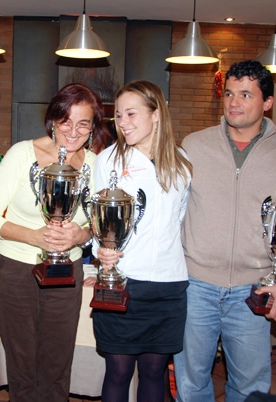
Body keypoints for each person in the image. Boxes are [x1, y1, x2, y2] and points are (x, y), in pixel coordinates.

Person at [173, 60, 276, 402]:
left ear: (267, 103)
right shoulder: (194, 145)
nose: (234, 102)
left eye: (245, 94)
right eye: (229, 93)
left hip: (254, 290)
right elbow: (171, 210)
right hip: (196, 285)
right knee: (190, 381)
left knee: (250, 386)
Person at [0, 83, 111, 402]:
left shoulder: (96, 165)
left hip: (67, 272)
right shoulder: (22, 153)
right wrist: (35, 236)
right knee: (22, 366)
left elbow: (99, 222)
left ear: (93, 126)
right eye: (66, 121)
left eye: (83, 123)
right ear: (53, 119)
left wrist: (81, 235)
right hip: (15, 270)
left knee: (56, 365)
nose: (73, 131)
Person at [92, 80, 192, 402]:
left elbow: (179, 220)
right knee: (118, 372)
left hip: (168, 284)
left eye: (131, 114)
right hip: (124, 281)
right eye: (118, 116)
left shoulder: (182, 163)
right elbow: (97, 221)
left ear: (157, 114)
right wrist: (101, 251)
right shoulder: (108, 160)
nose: (122, 123)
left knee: (154, 372)